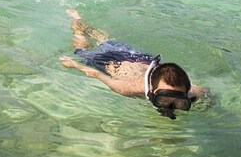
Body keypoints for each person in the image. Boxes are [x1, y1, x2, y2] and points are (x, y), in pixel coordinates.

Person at [60, 9, 208, 119]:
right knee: (81, 49)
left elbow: (207, 93)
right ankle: (76, 22)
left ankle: (85, 26)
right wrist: (74, 65)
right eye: (162, 100)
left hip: (140, 58)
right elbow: (97, 74)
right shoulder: (126, 88)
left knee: (106, 40)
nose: (171, 107)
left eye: (180, 102)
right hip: (110, 61)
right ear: (151, 91)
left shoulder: (194, 91)